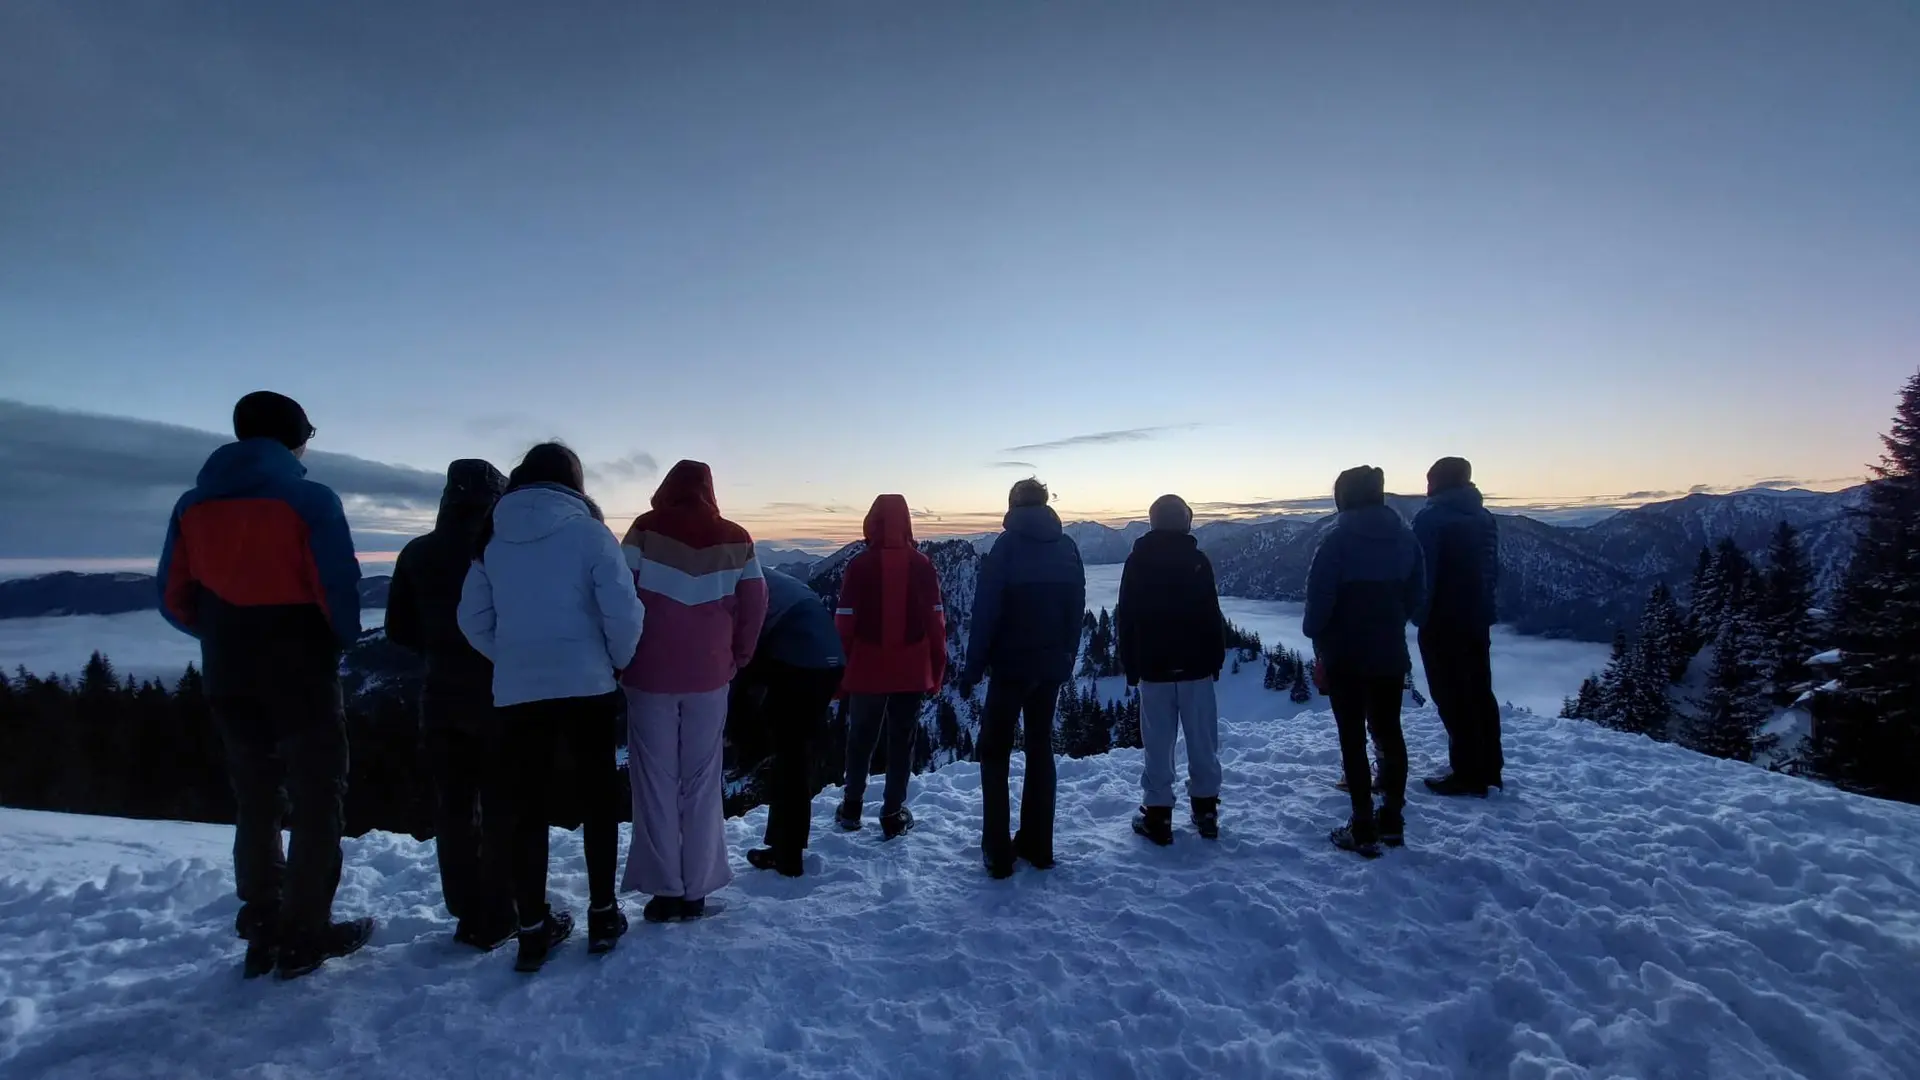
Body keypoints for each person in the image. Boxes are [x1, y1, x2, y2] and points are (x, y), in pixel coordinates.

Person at [157, 391, 372, 980]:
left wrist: (222, 631)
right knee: (316, 795)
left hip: (227, 664)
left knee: (255, 796)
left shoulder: (193, 505)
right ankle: (305, 932)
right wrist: (337, 639)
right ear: (293, 438)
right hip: (299, 666)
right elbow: (339, 589)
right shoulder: (309, 500)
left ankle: (262, 920)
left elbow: (172, 596)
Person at [457, 443, 643, 972]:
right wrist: (615, 664)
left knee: (526, 808)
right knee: (598, 801)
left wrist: (514, 659)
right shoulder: (589, 532)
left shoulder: (492, 537)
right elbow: (623, 611)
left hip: (518, 695)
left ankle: (534, 927)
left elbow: (472, 618)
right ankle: (603, 915)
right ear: (574, 482)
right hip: (587, 686)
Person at [620, 460, 768, 922]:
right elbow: (756, 601)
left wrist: (621, 656)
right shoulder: (736, 537)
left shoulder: (644, 530)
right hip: (709, 677)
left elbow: (619, 594)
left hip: (648, 676)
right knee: (703, 781)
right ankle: (697, 887)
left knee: (654, 782)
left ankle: (664, 889)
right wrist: (738, 656)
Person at [386, 459, 515, 952]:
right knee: (505, 802)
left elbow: (399, 629)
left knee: (455, 807)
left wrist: (440, 648)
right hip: (502, 696)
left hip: (440, 696)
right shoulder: (505, 552)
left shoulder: (417, 553)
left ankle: (467, 909)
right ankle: (503, 908)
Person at [962, 478, 1085, 879]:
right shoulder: (1067, 547)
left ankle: (998, 852)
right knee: (1039, 746)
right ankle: (1038, 844)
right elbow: (1076, 608)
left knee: (994, 751)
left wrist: (974, 665)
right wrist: (1067, 656)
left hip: (1012, 665)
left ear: (1013, 505)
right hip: (1050, 666)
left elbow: (986, 611)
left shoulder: (1006, 547)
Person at [1302, 466, 1426, 858]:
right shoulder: (1408, 540)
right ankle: (1392, 820)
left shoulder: (1335, 544)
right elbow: (1416, 601)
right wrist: (1388, 621)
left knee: (1352, 739)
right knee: (1390, 732)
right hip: (1390, 653)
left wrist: (1318, 633)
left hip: (1345, 656)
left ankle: (1362, 825)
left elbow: (1318, 606)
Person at [833, 494, 948, 840]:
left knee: (861, 737)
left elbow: (844, 624)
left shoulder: (859, 566)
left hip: (868, 667)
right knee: (902, 739)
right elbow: (936, 622)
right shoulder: (922, 565)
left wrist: (840, 674)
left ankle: (852, 806)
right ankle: (893, 812)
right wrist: (936, 668)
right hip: (911, 669)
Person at [1115, 494, 1227, 846]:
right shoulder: (1197, 560)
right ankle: (1206, 810)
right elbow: (1212, 613)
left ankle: (1158, 815)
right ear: (1185, 521)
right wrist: (1216, 658)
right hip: (1196, 667)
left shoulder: (1137, 561)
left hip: (1154, 668)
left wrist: (1131, 665)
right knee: (1202, 741)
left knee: (1158, 744)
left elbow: (1127, 617)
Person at [738, 569, 845, 877]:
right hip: (827, 663)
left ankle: (787, 854)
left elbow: (741, 652)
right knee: (792, 755)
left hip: (801, 662)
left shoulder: (738, 584)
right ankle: (786, 848)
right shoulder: (764, 576)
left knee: (790, 756)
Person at [1414, 456, 1505, 797]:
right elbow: (1491, 570)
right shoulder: (1483, 517)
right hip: (1477, 617)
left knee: (1451, 695)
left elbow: (1425, 575)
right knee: (1480, 691)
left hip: (1442, 619)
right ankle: (1490, 767)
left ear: (1437, 483)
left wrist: (1418, 615)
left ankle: (1467, 772)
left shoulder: (1431, 520)